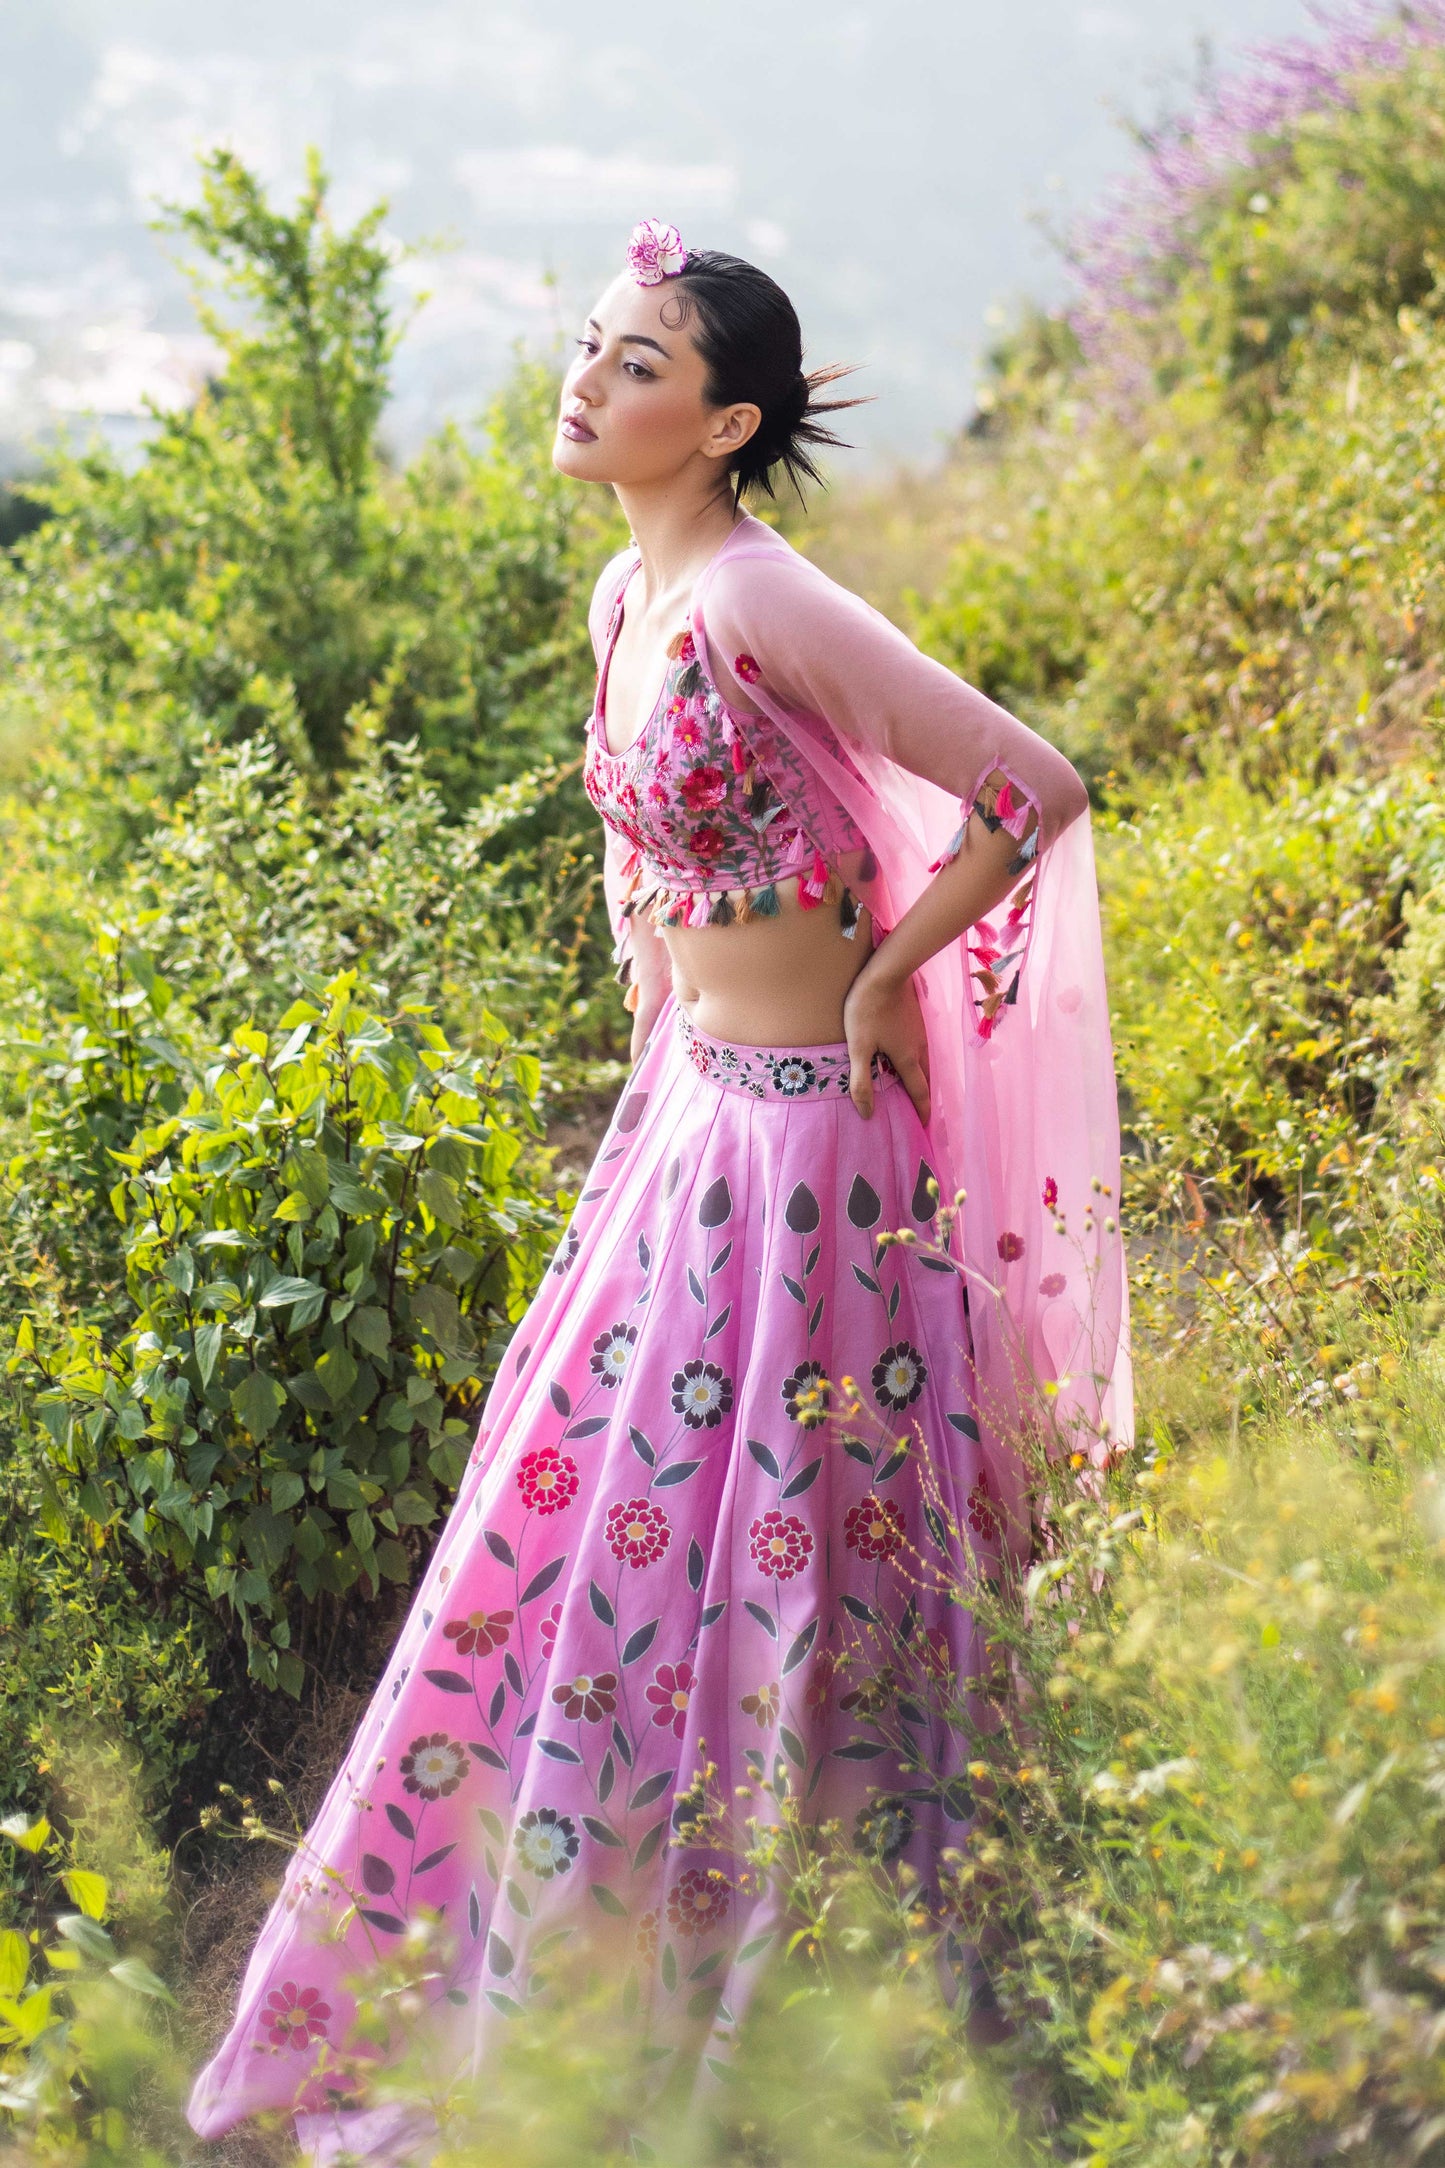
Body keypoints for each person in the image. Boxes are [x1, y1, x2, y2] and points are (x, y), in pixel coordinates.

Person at [186, 219, 1130, 2163]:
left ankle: (800, 1981)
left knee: (785, 1560)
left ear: (724, 425)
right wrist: (656, 1011)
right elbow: (651, 850)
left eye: (637, 364)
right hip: (694, 1131)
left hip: (815, 1158)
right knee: (608, 1548)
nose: (587, 382)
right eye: (590, 347)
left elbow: (1030, 786)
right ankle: (575, 1944)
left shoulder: (764, 598)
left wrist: (884, 978)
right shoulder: (633, 593)